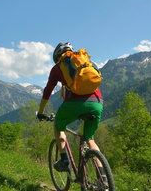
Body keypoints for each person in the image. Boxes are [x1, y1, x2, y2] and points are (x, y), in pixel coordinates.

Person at [37, 42, 103, 172]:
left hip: (74, 103)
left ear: (57, 57)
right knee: (90, 140)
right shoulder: (86, 62)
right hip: (97, 102)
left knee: (58, 126)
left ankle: (64, 160)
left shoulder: (57, 67)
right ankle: (104, 178)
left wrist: (41, 112)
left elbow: (48, 91)